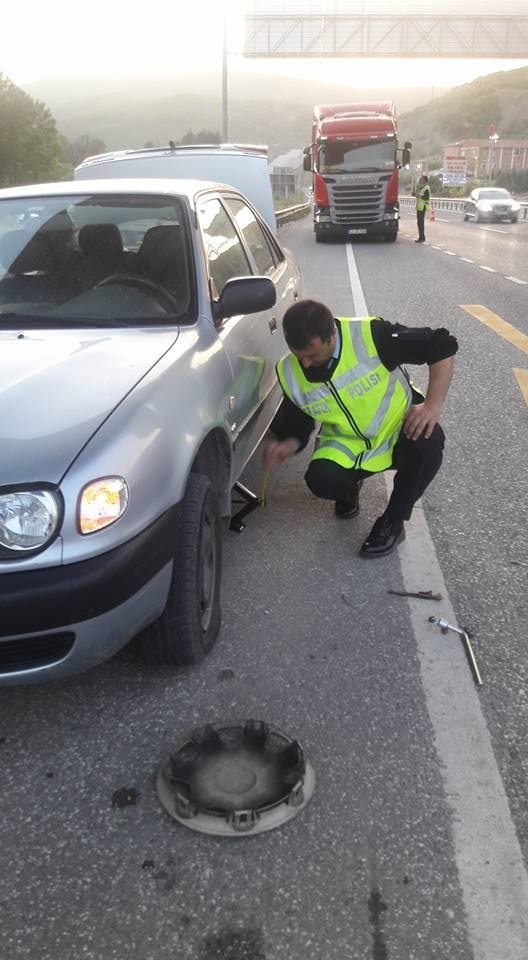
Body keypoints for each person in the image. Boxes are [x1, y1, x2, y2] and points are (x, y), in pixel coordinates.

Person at [263, 299, 457, 558]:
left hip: (396, 427)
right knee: (320, 480)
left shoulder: (372, 337)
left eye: (312, 355)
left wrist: (433, 405)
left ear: (332, 333)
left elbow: (441, 344)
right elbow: (298, 426)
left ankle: (393, 521)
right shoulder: (290, 371)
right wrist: (286, 446)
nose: (305, 364)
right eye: (299, 355)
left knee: (429, 441)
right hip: (347, 442)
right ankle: (349, 489)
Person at [415, 174, 431, 242]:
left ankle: (422, 237)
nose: (420, 180)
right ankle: (421, 237)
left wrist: (418, 195)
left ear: (424, 180)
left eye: (421, 179)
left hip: (423, 207)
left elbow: (426, 197)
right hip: (420, 207)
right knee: (419, 223)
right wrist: (416, 195)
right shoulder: (421, 187)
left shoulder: (426, 188)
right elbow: (420, 195)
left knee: (420, 223)